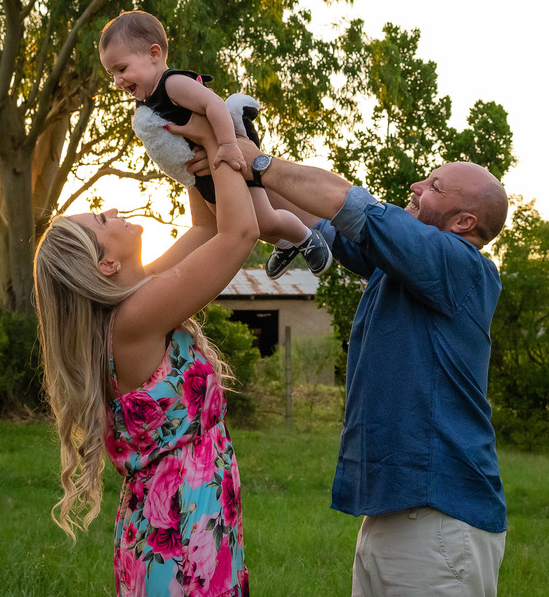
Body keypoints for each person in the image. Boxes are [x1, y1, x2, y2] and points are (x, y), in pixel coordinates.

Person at [181, 130, 511, 597]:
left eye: (434, 186)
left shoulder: (460, 266)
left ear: (463, 222)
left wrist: (260, 163)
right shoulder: (400, 266)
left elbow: (349, 204)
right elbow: (313, 215)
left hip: (439, 518)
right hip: (396, 513)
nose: (417, 187)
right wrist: (228, 155)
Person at [33, 114, 256, 596]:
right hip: (179, 523)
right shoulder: (135, 317)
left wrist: (190, 149)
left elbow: (205, 229)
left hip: (187, 515)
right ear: (105, 263)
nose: (111, 209)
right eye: (101, 219)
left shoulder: (135, 300)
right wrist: (222, 140)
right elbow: (238, 235)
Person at [100, 9, 331, 280]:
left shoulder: (172, 84)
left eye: (122, 69)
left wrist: (227, 145)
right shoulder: (147, 100)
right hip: (206, 172)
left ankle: (306, 237)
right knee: (233, 221)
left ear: (154, 54)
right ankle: (283, 244)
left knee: (263, 218)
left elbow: (214, 105)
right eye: (111, 74)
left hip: (229, 155)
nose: (117, 81)